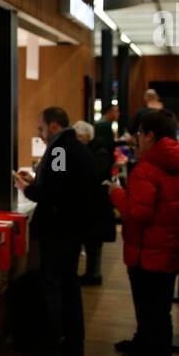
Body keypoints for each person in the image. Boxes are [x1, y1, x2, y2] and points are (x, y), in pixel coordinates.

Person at [110, 109, 179, 356]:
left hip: (146, 254)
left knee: (153, 319)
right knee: (160, 317)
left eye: (138, 135)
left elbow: (137, 214)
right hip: (171, 250)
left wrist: (116, 195)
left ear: (149, 134)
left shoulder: (147, 169)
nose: (135, 141)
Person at [13, 107, 94, 356]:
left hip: (58, 229)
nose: (40, 133)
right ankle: (73, 343)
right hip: (74, 227)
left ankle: (48, 349)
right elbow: (63, 183)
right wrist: (37, 180)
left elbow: (55, 192)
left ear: (54, 126)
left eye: (41, 128)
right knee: (70, 286)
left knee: (53, 287)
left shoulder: (59, 149)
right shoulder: (76, 147)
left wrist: (27, 188)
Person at [74, 120, 116, 286]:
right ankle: (92, 273)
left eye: (79, 136)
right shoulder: (96, 149)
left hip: (96, 203)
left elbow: (96, 173)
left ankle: (93, 274)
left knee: (93, 241)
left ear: (87, 136)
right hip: (94, 202)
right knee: (92, 240)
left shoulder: (98, 150)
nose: (77, 140)